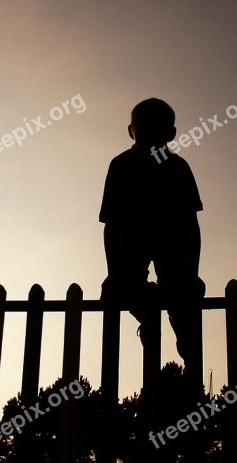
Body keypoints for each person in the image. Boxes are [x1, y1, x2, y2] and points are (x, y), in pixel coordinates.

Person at [99, 98, 205, 372]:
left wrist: (192, 272)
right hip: (133, 244)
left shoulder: (178, 168)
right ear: (131, 131)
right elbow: (111, 224)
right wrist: (113, 273)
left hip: (171, 244)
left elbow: (191, 227)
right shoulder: (121, 166)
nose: (149, 136)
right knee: (120, 289)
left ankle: (183, 340)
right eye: (144, 129)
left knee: (181, 291)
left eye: (156, 130)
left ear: (170, 134)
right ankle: (150, 319)